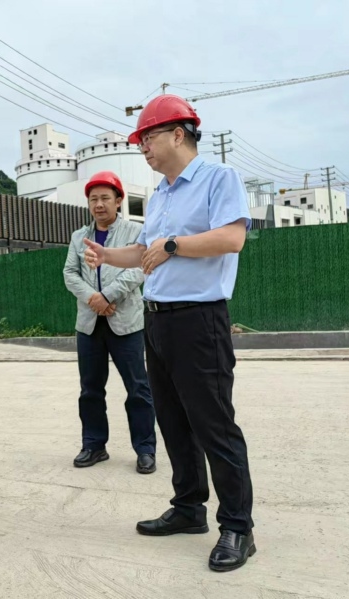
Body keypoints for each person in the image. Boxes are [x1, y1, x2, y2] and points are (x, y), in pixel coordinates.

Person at [83, 95, 256, 572]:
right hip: (157, 321)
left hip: (199, 321)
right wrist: (107, 255)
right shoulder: (160, 193)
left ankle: (238, 527)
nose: (143, 148)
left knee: (214, 424)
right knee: (173, 422)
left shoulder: (219, 178)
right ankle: (188, 508)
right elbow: (146, 251)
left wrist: (174, 245)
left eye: (148, 138)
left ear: (178, 134)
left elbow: (232, 238)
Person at [63, 171, 157, 474]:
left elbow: (140, 267)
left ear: (119, 201)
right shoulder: (79, 236)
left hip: (126, 322)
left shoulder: (135, 232)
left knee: (138, 389)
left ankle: (145, 449)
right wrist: (93, 298)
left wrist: (108, 295)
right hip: (89, 324)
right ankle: (94, 445)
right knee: (90, 389)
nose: (99, 204)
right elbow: (70, 274)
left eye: (105, 198)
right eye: (93, 199)